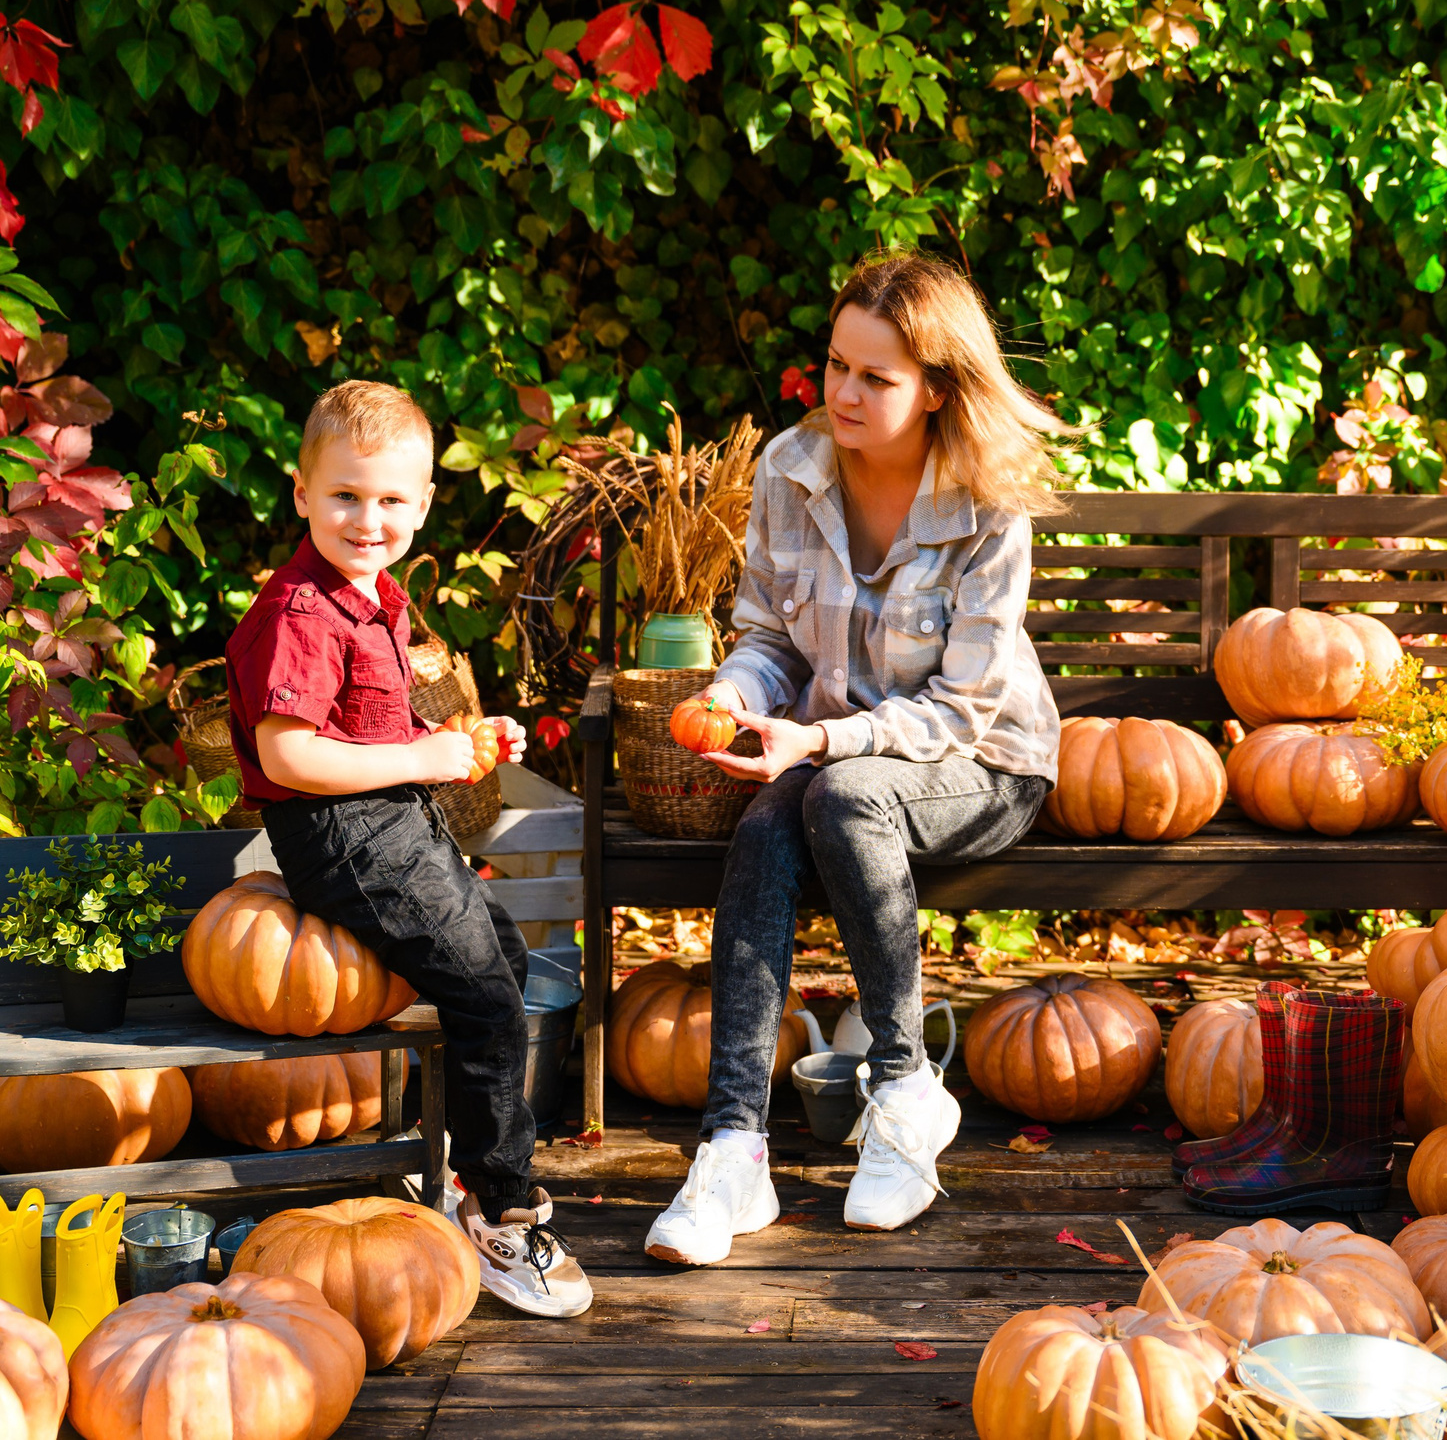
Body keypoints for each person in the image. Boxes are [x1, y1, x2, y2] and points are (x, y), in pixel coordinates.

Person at [644, 252, 1070, 1266]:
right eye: (836, 365)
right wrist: (735, 695)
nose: (844, 392)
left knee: (839, 794)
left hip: (983, 762)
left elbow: (965, 706)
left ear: (935, 388)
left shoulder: (986, 506)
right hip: (838, 759)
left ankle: (900, 1089)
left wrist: (823, 739)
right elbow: (770, 637)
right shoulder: (792, 472)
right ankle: (733, 1149)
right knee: (764, 832)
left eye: (875, 378)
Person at [225, 379, 594, 1318]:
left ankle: (448, 1151)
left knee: (503, 963)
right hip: (343, 838)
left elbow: (374, 729)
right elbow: (287, 752)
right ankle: (501, 1205)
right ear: (302, 491)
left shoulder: (372, 595)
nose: (368, 517)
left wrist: (466, 743)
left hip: (392, 824)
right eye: (346, 494)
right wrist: (426, 754)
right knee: (483, 997)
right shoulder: (303, 612)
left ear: (425, 504)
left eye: (392, 499)